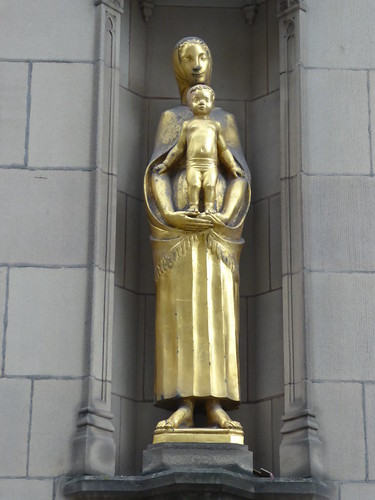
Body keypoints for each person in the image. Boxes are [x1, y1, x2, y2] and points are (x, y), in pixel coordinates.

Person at [144, 37, 251, 432]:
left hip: (217, 229)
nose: (196, 64)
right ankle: (185, 403)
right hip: (179, 230)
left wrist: (225, 214)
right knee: (180, 312)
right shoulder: (175, 119)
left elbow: (238, 173)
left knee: (218, 312)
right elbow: (159, 169)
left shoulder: (223, 121)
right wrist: (170, 213)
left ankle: (216, 401)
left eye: (203, 55)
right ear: (177, 65)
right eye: (187, 58)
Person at [155, 84, 244, 214]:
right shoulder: (188, 125)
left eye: (206, 100)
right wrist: (166, 164)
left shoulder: (215, 126)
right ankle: (193, 206)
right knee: (194, 184)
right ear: (190, 106)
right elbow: (178, 148)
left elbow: (224, 149)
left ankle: (209, 207)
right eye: (196, 100)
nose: (201, 103)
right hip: (193, 163)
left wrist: (232, 166)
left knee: (210, 185)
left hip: (210, 164)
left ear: (212, 104)